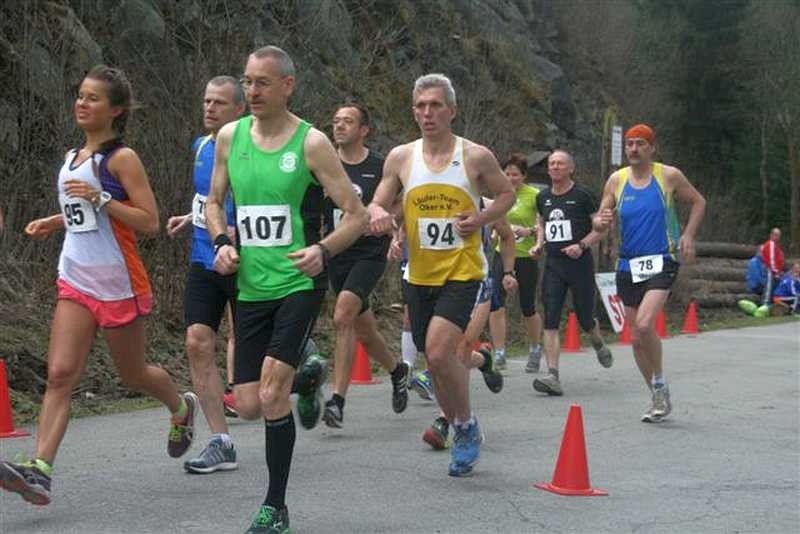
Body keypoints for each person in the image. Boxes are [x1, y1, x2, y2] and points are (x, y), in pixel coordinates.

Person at [0, 65, 197, 506]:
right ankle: (40, 470)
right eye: (81, 95)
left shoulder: (121, 159)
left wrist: (103, 198)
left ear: (116, 110)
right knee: (59, 374)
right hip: (75, 277)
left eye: (93, 98)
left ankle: (181, 408)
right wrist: (54, 221)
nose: (82, 103)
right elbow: (83, 214)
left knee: (133, 374)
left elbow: (149, 221)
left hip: (118, 281)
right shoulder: (72, 156)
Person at [204, 46, 367, 533]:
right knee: (248, 404)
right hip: (250, 285)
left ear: (287, 86)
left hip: (299, 280)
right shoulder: (230, 137)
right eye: (247, 81)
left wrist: (323, 250)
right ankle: (307, 376)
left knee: (273, 394)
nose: (252, 91)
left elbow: (356, 215)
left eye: (263, 82)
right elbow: (214, 202)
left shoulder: (311, 144)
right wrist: (220, 242)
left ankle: (275, 508)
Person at [368, 73, 515, 476]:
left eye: (435, 105)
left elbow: (507, 195)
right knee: (435, 362)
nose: (427, 113)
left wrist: (480, 218)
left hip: (463, 271)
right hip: (419, 274)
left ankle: (464, 427)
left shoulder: (475, 156)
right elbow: (380, 200)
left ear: (452, 111)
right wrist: (379, 213)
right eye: (420, 106)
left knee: (436, 352)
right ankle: (460, 423)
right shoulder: (401, 157)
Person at [594, 124, 705, 423]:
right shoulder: (616, 180)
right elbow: (600, 218)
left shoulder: (668, 175)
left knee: (644, 325)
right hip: (627, 264)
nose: (633, 149)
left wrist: (689, 234)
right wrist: (600, 221)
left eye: (640, 143)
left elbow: (698, 201)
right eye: (630, 144)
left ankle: (658, 381)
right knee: (635, 338)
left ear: (652, 148)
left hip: (662, 259)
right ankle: (657, 393)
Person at [165, 76, 245, 473]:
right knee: (197, 342)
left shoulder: (252, 148)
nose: (209, 108)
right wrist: (190, 216)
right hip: (204, 257)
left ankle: (300, 363)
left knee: (253, 387)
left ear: (240, 110)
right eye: (207, 101)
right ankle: (221, 441)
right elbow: (209, 198)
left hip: (246, 262)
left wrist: (240, 230)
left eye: (219, 103)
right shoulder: (200, 145)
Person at [321, 103, 409, 429]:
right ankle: (398, 371)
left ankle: (337, 401)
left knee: (342, 315)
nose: (339, 126)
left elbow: (404, 199)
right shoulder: (323, 163)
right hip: (336, 251)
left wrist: (387, 217)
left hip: (369, 252)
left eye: (348, 121)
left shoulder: (380, 165)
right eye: (336, 120)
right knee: (365, 331)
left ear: (364, 130)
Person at [418, 198, 518, 449]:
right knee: (441, 354)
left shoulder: (489, 206)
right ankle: (483, 360)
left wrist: (508, 272)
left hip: (477, 283)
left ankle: (447, 420)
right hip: (441, 284)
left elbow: (507, 237)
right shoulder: (435, 200)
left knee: (461, 346)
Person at [530, 150, 613, 397]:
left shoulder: (583, 195)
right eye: (552, 163)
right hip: (554, 264)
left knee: (585, 318)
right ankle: (552, 375)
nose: (555, 167)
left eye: (560, 163)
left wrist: (582, 245)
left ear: (571, 168)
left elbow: (601, 229)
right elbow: (541, 224)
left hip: (580, 264)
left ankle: (597, 340)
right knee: (551, 318)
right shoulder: (542, 197)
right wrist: (539, 244)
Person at [488, 153, 543, 372]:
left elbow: (543, 225)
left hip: (526, 256)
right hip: (501, 255)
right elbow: (493, 221)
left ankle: (535, 348)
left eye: (515, 175)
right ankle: (499, 351)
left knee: (528, 306)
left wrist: (530, 232)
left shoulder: (534, 195)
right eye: (507, 174)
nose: (510, 178)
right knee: (496, 304)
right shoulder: (499, 194)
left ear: (524, 176)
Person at [758, 227, 785, 311]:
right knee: (768, 287)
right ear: (771, 235)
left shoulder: (776, 245)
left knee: (773, 288)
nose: (777, 237)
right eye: (775, 235)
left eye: (778, 235)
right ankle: (765, 304)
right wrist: (776, 271)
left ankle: (770, 305)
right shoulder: (771, 244)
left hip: (775, 270)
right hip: (770, 269)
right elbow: (771, 259)